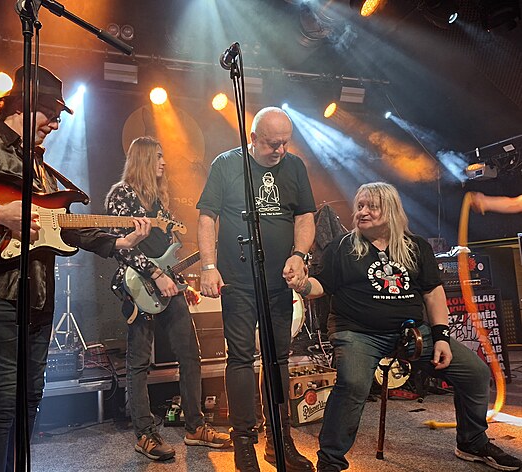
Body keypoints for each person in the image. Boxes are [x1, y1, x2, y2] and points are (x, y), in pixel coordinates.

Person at [0, 65, 151, 472]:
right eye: (50, 114)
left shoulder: (39, 165)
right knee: (0, 402)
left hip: (36, 295)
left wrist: (116, 243)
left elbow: (60, 224)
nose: (55, 124)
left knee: (30, 399)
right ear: (22, 104)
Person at [288, 182, 522, 472]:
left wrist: (441, 337)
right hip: (357, 333)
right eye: (360, 206)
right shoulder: (342, 247)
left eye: (371, 206)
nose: (362, 212)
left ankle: (471, 442)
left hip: (412, 333)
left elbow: (433, 293)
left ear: (391, 210)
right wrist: (302, 284)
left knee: (475, 373)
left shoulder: (416, 246)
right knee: (353, 384)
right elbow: (320, 286)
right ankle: (330, 462)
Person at [197, 107, 317, 472]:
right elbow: (207, 216)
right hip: (238, 280)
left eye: (285, 143)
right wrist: (208, 266)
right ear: (252, 138)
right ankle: (244, 444)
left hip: (279, 281)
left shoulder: (294, 166)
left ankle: (279, 442)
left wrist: (299, 254)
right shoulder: (226, 164)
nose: (280, 150)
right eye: (271, 143)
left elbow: (305, 215)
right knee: (240, 358)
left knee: (278, 359)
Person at [104, 136, 231, 461]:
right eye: (158, 157)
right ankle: (145, 435)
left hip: (167, 285)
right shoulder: (121, 195)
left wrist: (176, 279)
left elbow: (166, 250)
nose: (163, 162)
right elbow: (121, 246)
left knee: (190, 355)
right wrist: (156, 275)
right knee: (139, 362)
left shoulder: (159, 202)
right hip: (137, 286)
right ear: (144, 159)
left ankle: (195, 427)